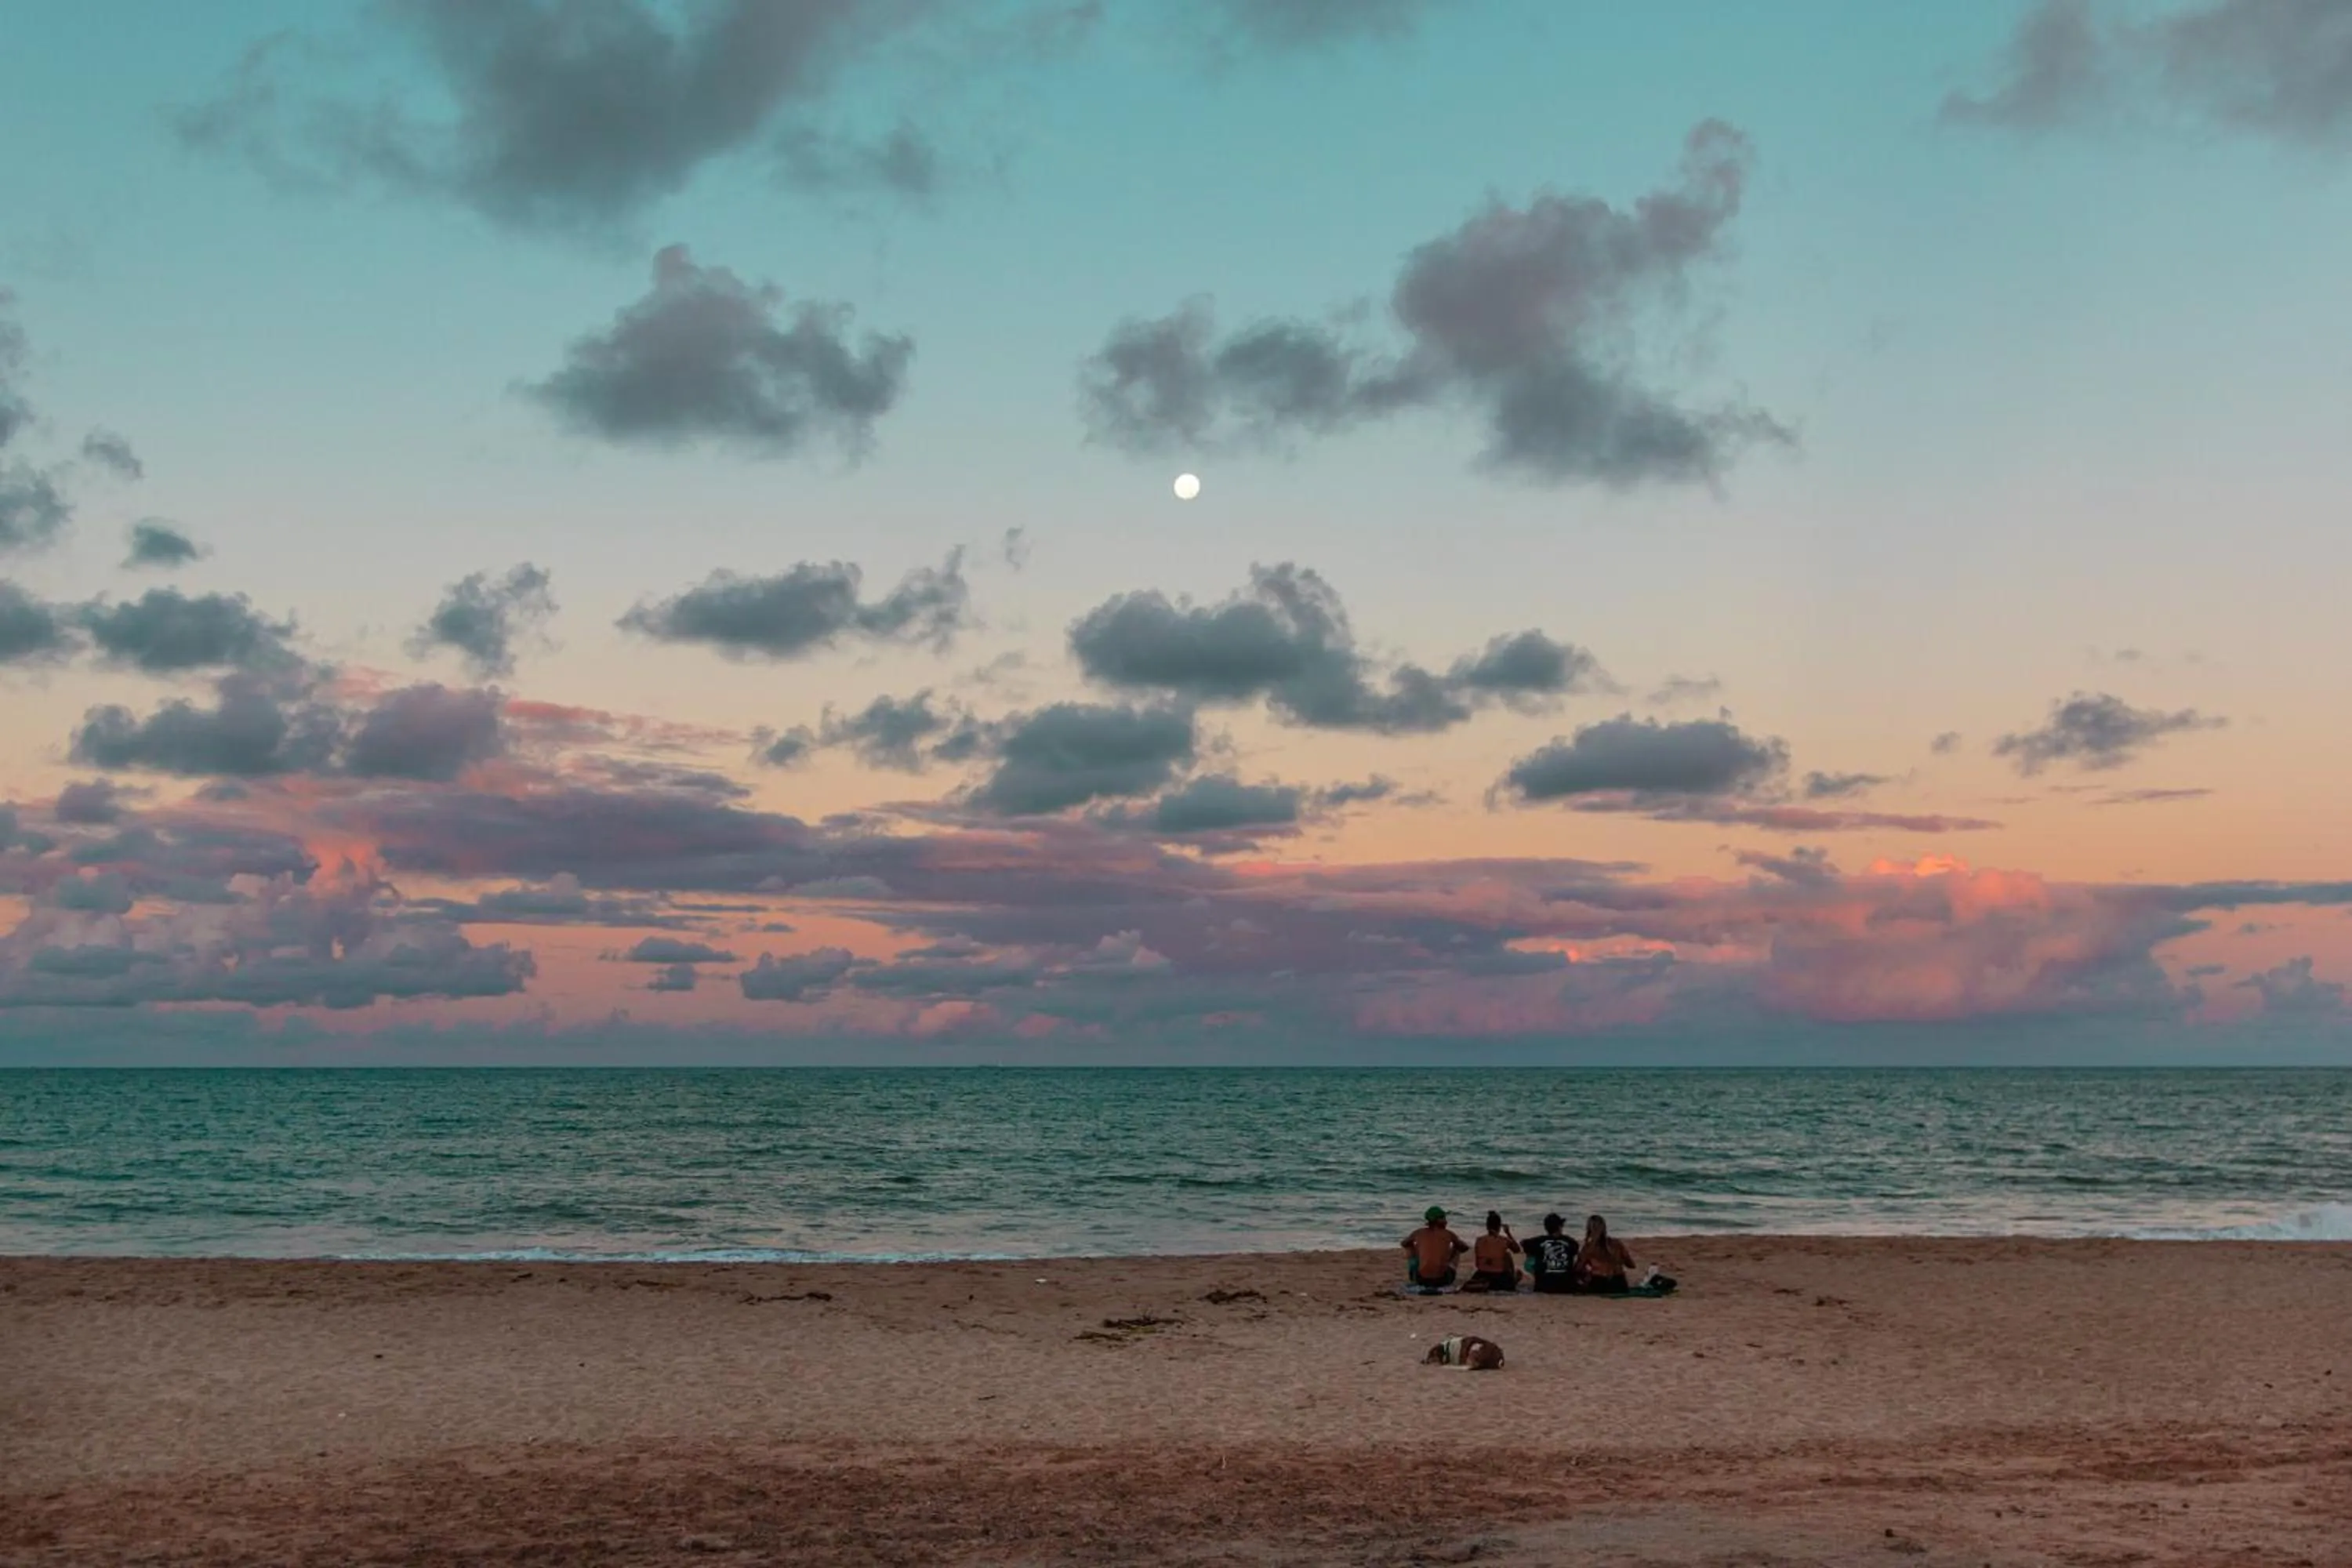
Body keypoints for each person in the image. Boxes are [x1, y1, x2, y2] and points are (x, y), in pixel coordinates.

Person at [1401, 1205, 1467, 1289]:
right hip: (1444, 1280)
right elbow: (1464, 1248)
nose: (1446, 1221)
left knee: (1409, 1246)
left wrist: (1418, 1250)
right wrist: (1449, 1251)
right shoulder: (1448, 1234)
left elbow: (1404, 1243)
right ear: (1438, 1220)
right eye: (1444, 1218)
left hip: (1420, 1280)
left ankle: (1417, 1272)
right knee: (1457, 1248)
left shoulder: (1418, 1233)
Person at [1575, 1214, 1637, 1294]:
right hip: (1619, 1283)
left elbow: (1578, 1268)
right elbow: (1631, 1265)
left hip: (1600, 1283)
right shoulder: (1617, 1243)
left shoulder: (1588, 1247)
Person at [1461, 1210, 1520, 1292]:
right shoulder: (1504, 1240)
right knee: (1507, 1255)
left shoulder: (1479, 1240)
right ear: (1499, 1227)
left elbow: (1478, 1261)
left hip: (1482, 1274)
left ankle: (1484, 1285)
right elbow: (1517, 1250)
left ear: (1487, 1226)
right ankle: (1512, 1281)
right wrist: (1508, 1233)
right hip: (1499, 1276)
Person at [1521, 1212, 1580, 1294]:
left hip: (1544, 1286)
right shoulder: (1571, 1242)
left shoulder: (1538, 1241)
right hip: (1566, 1286)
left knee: (1533, 1254)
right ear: (1560, 1227)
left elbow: (1523, 1243)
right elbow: (1576, 1252)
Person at [1423, 1333, 1504, 1370]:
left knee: (1475, 1347)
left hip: (1487, 1355)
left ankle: (1474, 1363)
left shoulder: (1459, 1347)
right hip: (1493, 1359)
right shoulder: (1455, 1345)